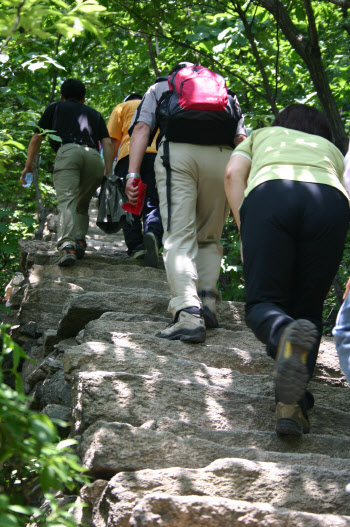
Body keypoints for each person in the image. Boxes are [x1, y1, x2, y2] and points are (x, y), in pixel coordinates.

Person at [225, 103, 350, 437]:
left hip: (271, 194)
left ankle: (282, 336)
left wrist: (244, 226)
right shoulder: (332, 150)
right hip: (330, 202)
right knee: (307, 312)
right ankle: (290, 408)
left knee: (263, 304)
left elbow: (232, 175)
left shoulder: (262, 135)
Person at [126, 61, 247, 343]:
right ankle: (207, 304)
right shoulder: (224, 91)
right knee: (209, 236)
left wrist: (132, 174)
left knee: (179, 235)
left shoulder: (161, 86)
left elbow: (143, 127)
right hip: (222, 158)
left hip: (178, 155)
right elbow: (241, 138)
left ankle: (187, 312)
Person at [21, 78, 114, 267]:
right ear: (83, 99)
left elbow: (36, 137)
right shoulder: (94, 114)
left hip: (68, 152)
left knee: (67, 201)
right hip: (94, 157)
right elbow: (107, 143)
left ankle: (67, 245)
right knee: (82, 203)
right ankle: (79, 239)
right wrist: (108, 172)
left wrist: (28, 165)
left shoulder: (56, 108)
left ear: (62, 97)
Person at [107, 93, 163, 266]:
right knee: (153, 200)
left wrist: (108, 169)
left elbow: (112, 140)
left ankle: (136, 246)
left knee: (130, 201)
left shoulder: (121, 108)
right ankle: (152, 232)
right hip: (156, 156)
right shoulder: (156, 106)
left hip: (129, 156)